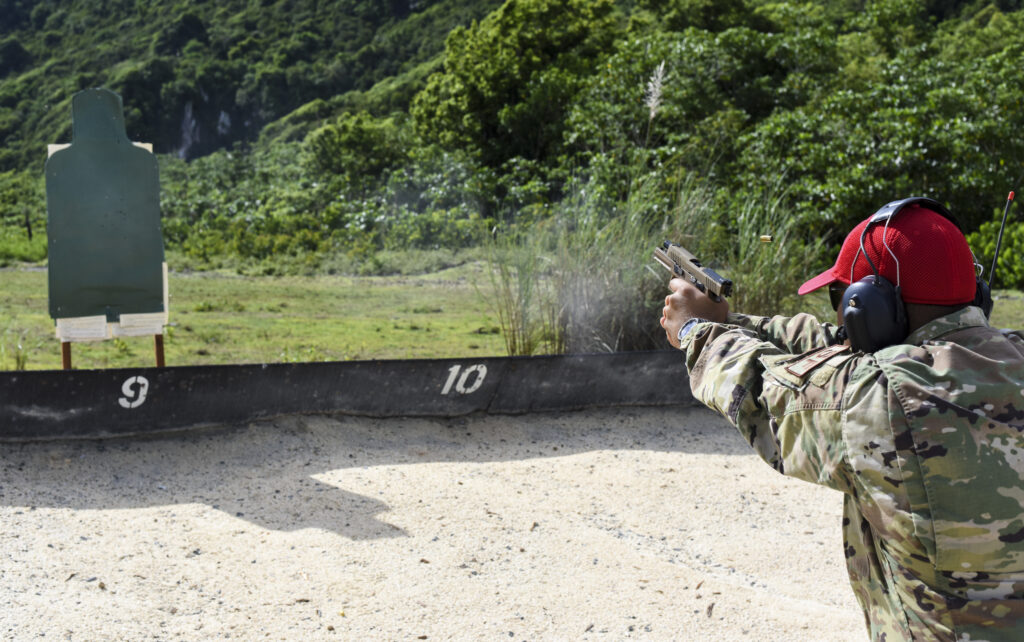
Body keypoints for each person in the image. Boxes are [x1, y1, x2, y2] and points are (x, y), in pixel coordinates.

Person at [659, 198, 1024, 641]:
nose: (840, 313)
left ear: (870, 308)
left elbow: (760, 390)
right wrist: (731, 320)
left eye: (842, 297)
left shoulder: (883, 402)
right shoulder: (1012, 352)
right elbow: (833, 349)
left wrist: (695, 331)